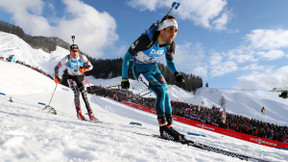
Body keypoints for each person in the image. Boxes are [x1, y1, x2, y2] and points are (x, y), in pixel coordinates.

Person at [121, 15, 185, 141]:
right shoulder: (146, 39)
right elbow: (127, 57)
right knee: (160, 91)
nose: (173, 34)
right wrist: (124, 78)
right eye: (170, 29)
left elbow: (170, 62)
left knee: (166, 91)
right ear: (162, 30)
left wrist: (176, 73)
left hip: (153, 69)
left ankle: (169, 127)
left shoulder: (170, 44)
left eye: (176, 30)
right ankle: (163, 129)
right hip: (140, 70)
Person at [54, 44, 98, 122]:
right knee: (76, 92)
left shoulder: (82, 57)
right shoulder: (66, 58)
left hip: (80, 78)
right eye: (73, 51)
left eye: (76, 51)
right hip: (71, 78)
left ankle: (91, 114)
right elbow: (57, 67)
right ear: (70, 52)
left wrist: (84, 69)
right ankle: (79, 113)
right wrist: (56, 77)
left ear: (78, 51)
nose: (74, 53)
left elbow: (91, 67)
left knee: (85, 95)